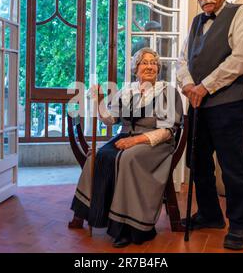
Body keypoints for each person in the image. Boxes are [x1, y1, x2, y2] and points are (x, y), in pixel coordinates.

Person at [177, 0, 243, 250]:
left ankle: (239, 224)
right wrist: (188, 85)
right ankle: (210, 214)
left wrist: (205, 86)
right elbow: (182, 60)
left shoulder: (242, 13)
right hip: (198, 104)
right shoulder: (196, 22)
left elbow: (242, 59)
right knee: (197, 163)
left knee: (233, 166)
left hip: (230, 104)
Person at [69, 47, 183, 248]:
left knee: (128, 158)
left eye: (153, 63)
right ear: (135, 68)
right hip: (125, 137)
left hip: (155, 143)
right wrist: (101, 101)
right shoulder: (127, 91)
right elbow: (110, 120)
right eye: (144, 62)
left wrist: (136, 141)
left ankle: (127, 228)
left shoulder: (168, 91)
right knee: (99, 156)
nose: (149, 66)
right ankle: (90, 213)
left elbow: (168, 131)